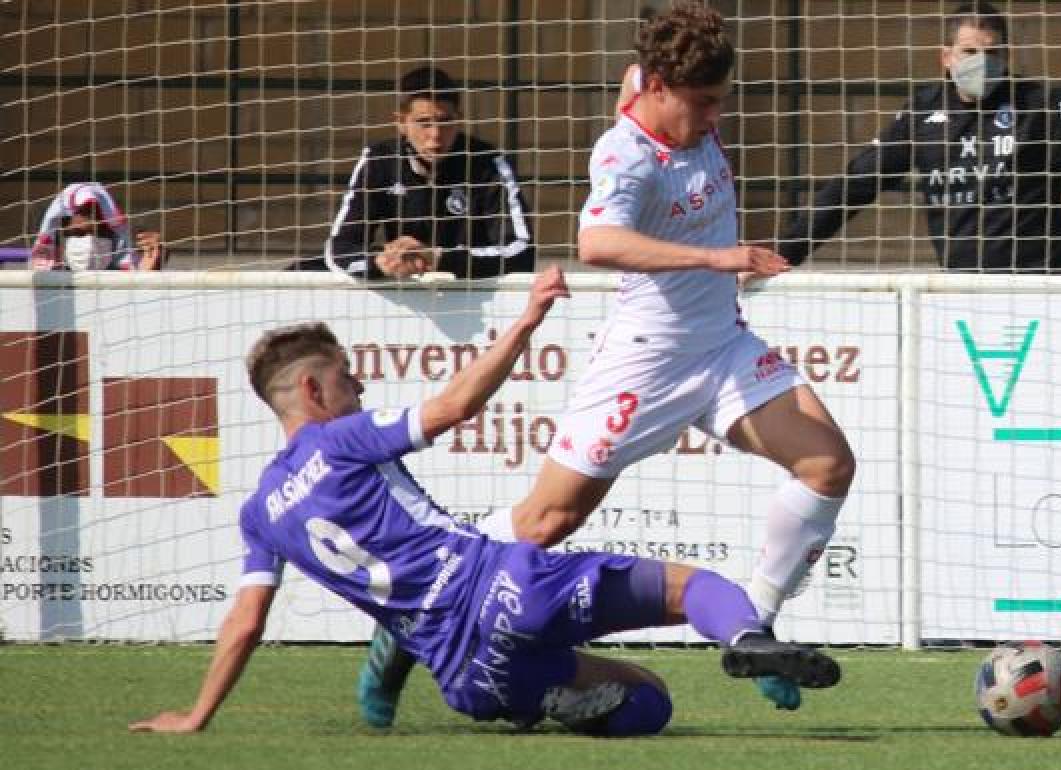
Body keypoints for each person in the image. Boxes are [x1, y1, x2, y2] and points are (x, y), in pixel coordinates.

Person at [360, 1, 856, 723]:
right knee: (544, 522)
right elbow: (598, 242)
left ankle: (758, 633)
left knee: (828, 465)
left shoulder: (656, 90)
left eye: (720, 100)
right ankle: (402, 627)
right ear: (657, 88)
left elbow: (646, 64)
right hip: (645, 364)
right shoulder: (623, 155)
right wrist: (718, 256)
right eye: (705, 103)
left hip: (722, 347)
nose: (716, 118)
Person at [127, 265, 840, 737]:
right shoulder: (339, 440)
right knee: (700, 593)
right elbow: (453, 406)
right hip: (504, 585)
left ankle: (553, 699)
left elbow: (245, 622)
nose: (360, 389)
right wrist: (526, 322)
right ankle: (746, 637)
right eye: (347, 378)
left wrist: (196, 715)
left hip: (464, 673)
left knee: (647, 702)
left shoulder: (260, 515)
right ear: (313, 392)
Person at [779, 0, 1061, 282]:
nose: (981, 63)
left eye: (992, 53)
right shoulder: (922, 114)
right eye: (969, 51)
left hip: (1041, 288)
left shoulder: (1039, 107)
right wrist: (786, 254)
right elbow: (856, 184)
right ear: (946, 57)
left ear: (1006, 57)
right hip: (962, 290)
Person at [320, 66, 535, 280]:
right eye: (424, 123)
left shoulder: (487, 163)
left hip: (470, 290)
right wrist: (380, 263)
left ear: (458, 118)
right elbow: (339, 247)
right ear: (401, 122)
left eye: (445, 122)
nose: (436, 135)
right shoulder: (379, 161)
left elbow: (521, 251)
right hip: (403, 290)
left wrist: (437, 258)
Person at [30, 182, 165, 271]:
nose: (90, 244)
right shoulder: (38, 287)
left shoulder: (123, 284)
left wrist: (149, 275)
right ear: (58, 236)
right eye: (78, 234)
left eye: (100, 234)